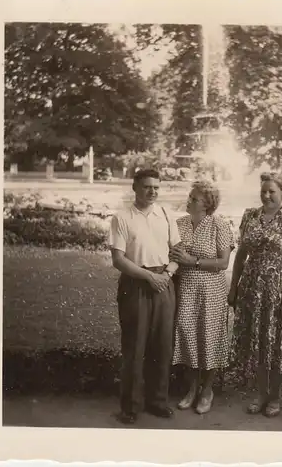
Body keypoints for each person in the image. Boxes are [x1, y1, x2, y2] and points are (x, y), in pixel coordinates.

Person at [109, 168, 181, 425]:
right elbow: (118, 259)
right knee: (134, 346)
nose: (153, 192)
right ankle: (130, 406)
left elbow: (177, 251)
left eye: (157, 188)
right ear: (135, 188)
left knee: (162, 346)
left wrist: (169, 273)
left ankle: (158, 401)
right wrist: (149, 277)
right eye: (147, 187)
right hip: (136, 284)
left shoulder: (165, 214)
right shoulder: (122, 217)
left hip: (164, 283)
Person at [228, 172, 282, 418]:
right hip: (251, 288)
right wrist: (234, 286)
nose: (267, 195)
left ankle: (275, 396)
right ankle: (260, 393)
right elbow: (240, 255)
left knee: (275, 342)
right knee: (257, 341)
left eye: (272, 191)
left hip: (277, 291)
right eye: (264, 191)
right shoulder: (250, 215)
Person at [169, 180, 234, 415]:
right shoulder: (179, 224)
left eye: (194, 199)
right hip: (185, 288)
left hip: (212, 291)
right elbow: (173, 253)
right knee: (186, 334)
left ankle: (207, 390)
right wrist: (179, 259)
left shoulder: (219, 225)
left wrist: (192, 261)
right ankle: (191, 388)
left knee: (209, 337)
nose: (188, 200)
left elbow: (223, 263)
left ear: (207, 204)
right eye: (189, 197)